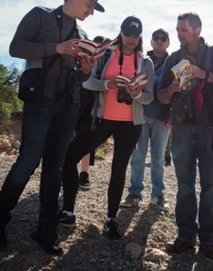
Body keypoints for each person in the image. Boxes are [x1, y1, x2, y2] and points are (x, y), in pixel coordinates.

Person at [0, 0, 105, 255]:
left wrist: (87, 68)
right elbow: (16, 47)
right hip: (40, 100)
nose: (91, 12)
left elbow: (82, 76)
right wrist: (57, 47)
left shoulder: (83, 33)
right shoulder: (39, 15)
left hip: (69, 104)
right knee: (28, 161)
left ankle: (46, 231)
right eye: (89, 5)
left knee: (56, 168)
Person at [58, 16, 154, 241]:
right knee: (70, 157)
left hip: (131, 124)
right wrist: (108, 85)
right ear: (120, 33)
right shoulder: (106, 54)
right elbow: (87, 82)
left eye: (135, 35)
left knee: (118, 170)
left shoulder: (145, 62)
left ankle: (111, 219)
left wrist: (136, 94)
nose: (131, 39)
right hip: (101, 119)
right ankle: (68, 212)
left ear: (140, 37)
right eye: (128, 34)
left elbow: (149, 98)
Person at [158, 12, 213, 259]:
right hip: (181, 129)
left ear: (197, 30)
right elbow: (160, 96)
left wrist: (205, 75)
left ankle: (209, 240)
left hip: (210, 128)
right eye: (178, 29)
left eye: (183, 30)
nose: (179, 34)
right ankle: (185, 235)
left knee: (210, 185)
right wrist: (170, 89)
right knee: (184, 185)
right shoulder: (173, 58)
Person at [120, 28, 171, 211]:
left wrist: (173, 116)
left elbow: (180, 90)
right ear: (150, 41)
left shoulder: (173, 63)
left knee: (158, 159)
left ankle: (158, 195)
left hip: (163, 118)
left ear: (168, 43)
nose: (159, 40)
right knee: (138, 156)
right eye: (155, 37)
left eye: (163, 38)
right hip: (140, 114)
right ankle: (135, 193)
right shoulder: (141, 59)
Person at [77, 35, 109, 191]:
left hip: (95, 104)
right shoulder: (83, 57)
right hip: (80, 100)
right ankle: (65, 171)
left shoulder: (109, 60)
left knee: (88, 139)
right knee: (71, 136)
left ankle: (84, 173)